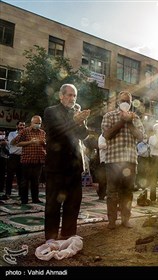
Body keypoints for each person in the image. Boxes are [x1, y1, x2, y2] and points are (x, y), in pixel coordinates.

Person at [43, 84, 90, 241]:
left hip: (75, 166)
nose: (72, 98)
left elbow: (83, 135)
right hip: (56, 166)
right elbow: (55, 133)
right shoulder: (51, 111)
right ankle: (51, 237)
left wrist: (81, 122)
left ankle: (68, 234)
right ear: (61, 96)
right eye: (69, 95)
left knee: (73, 203)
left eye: (74, 96)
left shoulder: (75, 114)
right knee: (53, 204)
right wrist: (74, 120)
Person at [102, 91, 144, 229]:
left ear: (131, 103)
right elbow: (107, 135)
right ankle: (112, 221)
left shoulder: (135, 118)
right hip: (113, 160)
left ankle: (125, 219)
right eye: (122, 100)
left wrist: (130, 122)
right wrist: (122, 121)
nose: (125, 103)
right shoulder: (109, 115)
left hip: (130, 160)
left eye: (128, 100)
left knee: (127, 191)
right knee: (112, 192)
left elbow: (140, 137)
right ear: (118, 102)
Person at [12, 115, 46, 204]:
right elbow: (17, 143)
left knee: (36, 181)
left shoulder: (42, 132)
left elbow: (45, 144)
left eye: (39, 123)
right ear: (31, 123)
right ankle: (24, 200)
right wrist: (30, 142)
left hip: (39, 160)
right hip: (27, 160)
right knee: (25, 181)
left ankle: (35, 199)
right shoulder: (25, 131)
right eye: (36, 123)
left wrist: (43, 143)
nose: (37, 125)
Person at [3, 121, 25, 200]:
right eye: (21, 125)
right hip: (13, 157)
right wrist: (19, 135)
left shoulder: (26, 135)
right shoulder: (12, 134)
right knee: (10, 176)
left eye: (23, 125)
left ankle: (21, 194)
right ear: (17, 126)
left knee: (21, 177)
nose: (22, 126)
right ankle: (7, 193)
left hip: (22, 157)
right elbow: (12, 143)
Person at [96, 133, 107, 200]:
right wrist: (109, 144)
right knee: (102, 180)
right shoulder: (102, 136)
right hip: (104, 161)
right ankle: (101, 194)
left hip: (111, 161)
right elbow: (100, 145)